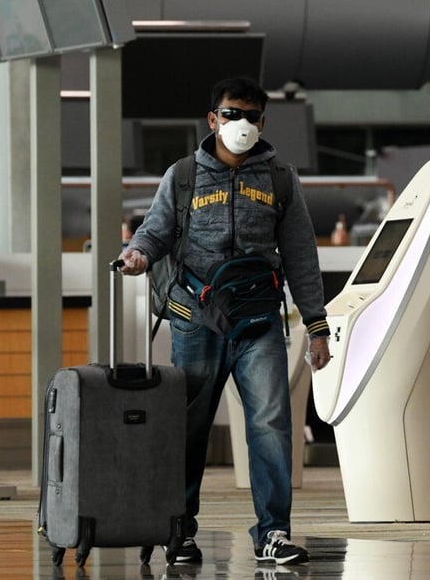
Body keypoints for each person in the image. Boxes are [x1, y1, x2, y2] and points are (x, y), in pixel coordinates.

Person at [117, 78, 331, 566]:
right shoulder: (185, 175)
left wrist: (317, 327)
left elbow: (301, 255)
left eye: (252, 116)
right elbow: (156, 230)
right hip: (196, 321)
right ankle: (180, 531)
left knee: (273, 426)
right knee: (188, 427)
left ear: (262, 123)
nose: (242, 124)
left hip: (257, 323)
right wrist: (137, 257)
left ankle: (273, 532)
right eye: (232, 114)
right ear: (213, 119)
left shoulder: (279, 177)